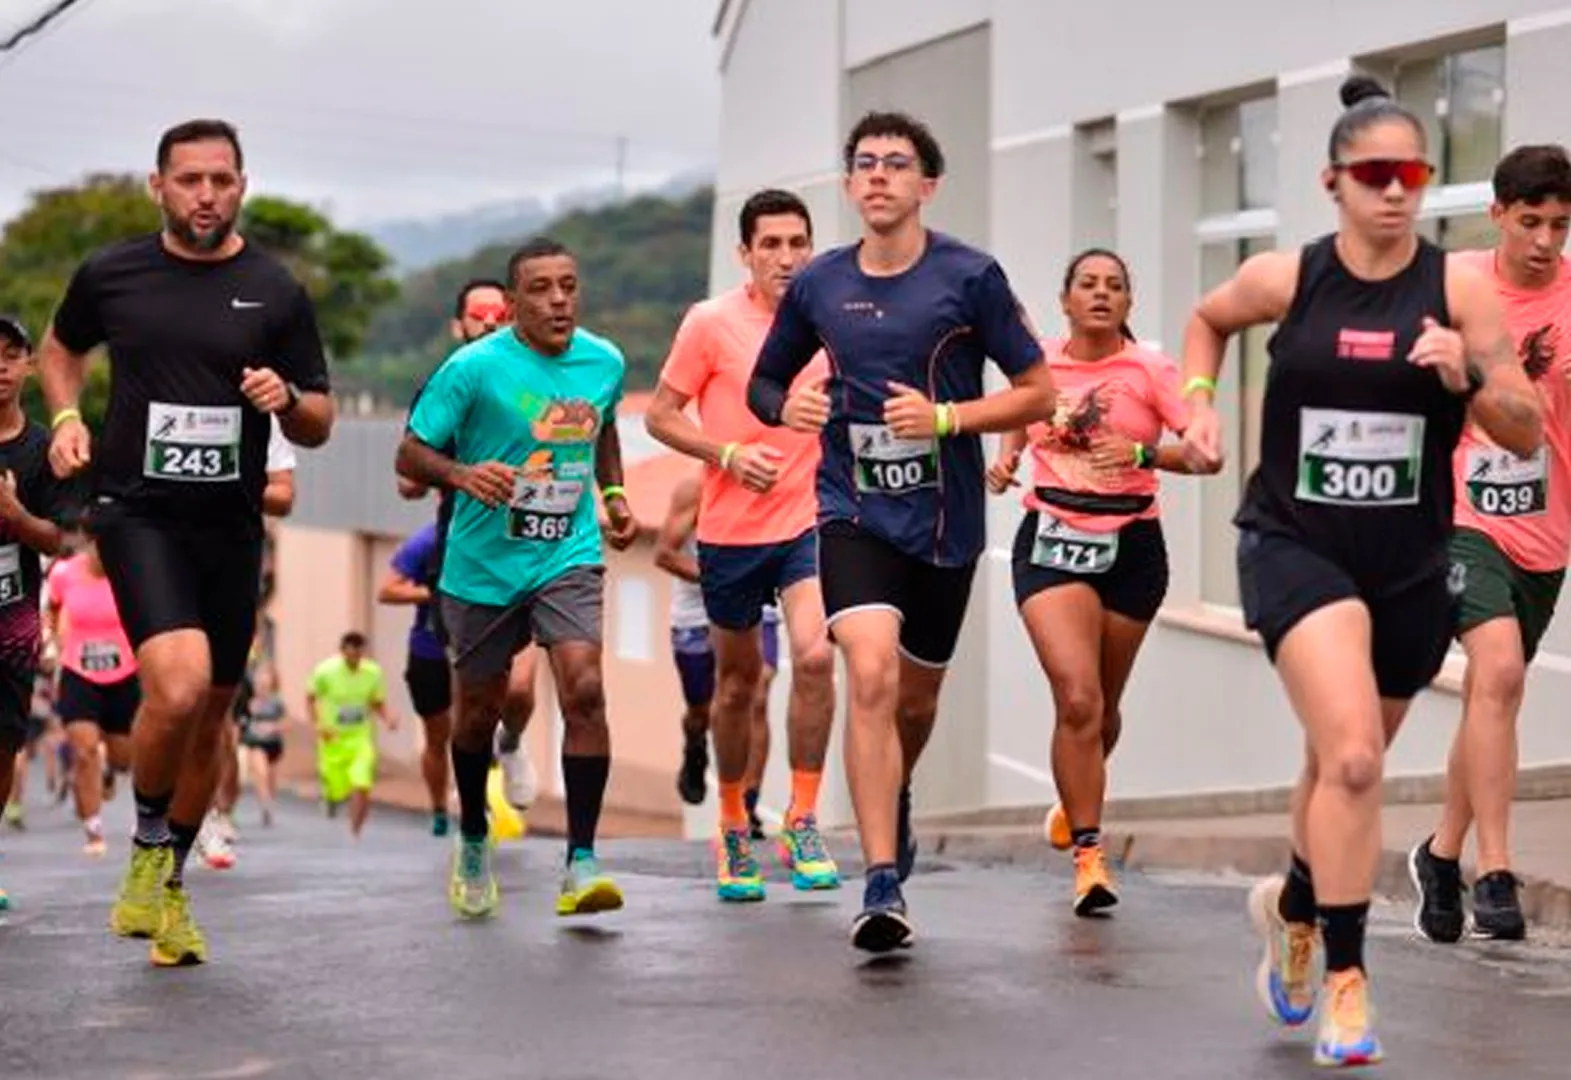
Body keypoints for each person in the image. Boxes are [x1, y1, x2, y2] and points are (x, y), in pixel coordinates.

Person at [1179, 76, 1542, 1067]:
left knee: (1334, 764)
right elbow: (1205, 321)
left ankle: (1293, 908)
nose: (1392, 192)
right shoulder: (1284, 279)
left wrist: (1462, 375)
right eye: (1372, 175)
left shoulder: (1456, 291)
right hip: (1293, 544)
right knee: (1350, 759)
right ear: (1332, 181)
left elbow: (1523, 426)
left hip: (1407, 563)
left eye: (1410, 174)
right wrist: (1199, 401)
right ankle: (1344, 978)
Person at [746, 111, 1055, 951]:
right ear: (848, 186)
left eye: (896, 163)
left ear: (927, 185)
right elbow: (765, 384)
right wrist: (789, 404)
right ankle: (881, 883)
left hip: (945, 525)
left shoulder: (970, 276)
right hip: (851, 512)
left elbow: (1038, 391)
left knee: (913, 702)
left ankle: (897, 794)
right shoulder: (818, 285)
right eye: (864, 164)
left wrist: (948, 418)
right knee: (870, 674)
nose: (878, 176)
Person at [38, 118, 334, 967]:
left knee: (210, 721)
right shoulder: (114, 273)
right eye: (190, 180)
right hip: (136, 513)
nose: (206, 195)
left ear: (243, 186)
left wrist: (285, 399)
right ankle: (146, 851)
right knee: (178, 685)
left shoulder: (274, 290)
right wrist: (65, 417)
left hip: (231, 526)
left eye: (221, 180)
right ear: (158, 186)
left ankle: (167, 891)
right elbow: (61, 349)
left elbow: (317, 421)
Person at [397, 237, 638, 920]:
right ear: (511, 305)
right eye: (541, 288)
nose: (559, 299)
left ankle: (582, 860)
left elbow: (605, 429)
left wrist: (613, 495)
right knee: (475, 711)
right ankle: (473, 833)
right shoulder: (471, 368)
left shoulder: (604, 360)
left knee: (584, 687)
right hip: (481, 565)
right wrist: (462, 474)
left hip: (567, 551)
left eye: (569, 285)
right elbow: (410, 452)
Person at [987, 248, 1216, 917]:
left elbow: (1204, 454)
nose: (1099, 293)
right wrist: (1004, 464)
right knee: (1078, 699)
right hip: (1053, 542)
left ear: (1126, 303)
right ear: (1064, 300)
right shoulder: (1038, 364)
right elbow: (1015, 422)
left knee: (1103, 711)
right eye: (1086, 284)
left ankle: (1072, 798)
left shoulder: (1149, 369)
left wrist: (1146, 453)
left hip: (1131, 549)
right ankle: (1090, 857)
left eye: (1114, 286)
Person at [647, 187, 841, 901]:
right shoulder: (710, 323)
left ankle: (802, 815)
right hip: (729, 530)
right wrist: (725, 454)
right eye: (771, 245)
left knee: (816, 657)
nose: (785, 258)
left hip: (808, 522)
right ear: (745, 254)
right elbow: (663, 416)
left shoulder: (830, 318)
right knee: (738, 688)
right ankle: (731, 823)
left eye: (797, 244)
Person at [1410, 145, 1571, 944]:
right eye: (1531, 221)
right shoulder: (1456, 285)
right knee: (1500, 670)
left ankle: (1439, 854)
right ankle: (1494, 873)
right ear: (1498, 213)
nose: (1545, 241)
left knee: (1489, 698)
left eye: (1561, 226)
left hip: (1546, 529)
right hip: (1458, 515)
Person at [398, 279, 541, 816]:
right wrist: (450, 474)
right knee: (474, 689)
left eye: (500, 313)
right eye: (479, 314)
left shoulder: (536, 381)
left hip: (529, 545)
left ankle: (511, 742)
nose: (490, 321)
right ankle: (473, 798)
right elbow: (407, 474)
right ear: (459, 325)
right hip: (465, 555)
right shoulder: (443, 386)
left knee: (522, 688)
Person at [654, 470, 782, 840]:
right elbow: (664, 554)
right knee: (704, 710)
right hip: (698, 610)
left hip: (758, 605)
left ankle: (747, 803)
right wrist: (722, 580)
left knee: (757, 693)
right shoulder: (695, 488)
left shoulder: (777, 481)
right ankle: (695, 745)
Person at [0, 313, 74, 910]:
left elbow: (61, 540)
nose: (0, 366)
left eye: (10, 353)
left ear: (27, 365)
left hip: (13, 623)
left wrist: (16, 516)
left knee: (4, 748)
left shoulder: (41, 447)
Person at [202, 417, 297, 866]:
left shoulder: (257, 425)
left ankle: (219, 811)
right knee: (178, 704)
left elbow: (282, 498)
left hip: (233, 619)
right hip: (178, 601)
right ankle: (175, 812)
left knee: (221, 726)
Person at [48, 518, 139, 858]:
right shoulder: (64, 573)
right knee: (84, 750)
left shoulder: (130, 573)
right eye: (99, 542)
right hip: (78, 671)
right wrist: (53, 643)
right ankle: (94, 830)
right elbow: (53, 609)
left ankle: (111, 773)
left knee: (124, 758)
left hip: (124, 673)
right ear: (89, 541)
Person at [307, 631, 395, 838]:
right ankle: (331, 798)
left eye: (359, 653)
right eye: (350, 653)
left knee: (361, 781)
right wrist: (318, 725)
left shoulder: (372, 672)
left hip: (360, 737)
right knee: (336, 786)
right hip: (333, 738)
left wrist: (388, 717)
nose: (355, 657)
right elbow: (311, 697)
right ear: (342, 651)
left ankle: (356, 829)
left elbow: (376, 701)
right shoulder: (325, 671)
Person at [237, 625, 285, 827]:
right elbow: (241, 716)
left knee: (271, 776)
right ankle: (265, 803)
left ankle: (269, 801)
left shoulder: (276, 701)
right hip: (254, 741)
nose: (263, 682)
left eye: (267, 679)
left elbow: (286, 720)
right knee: (261, 772)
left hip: (273, 742)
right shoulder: (249, 700)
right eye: (260, 679)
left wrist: (275, 727)